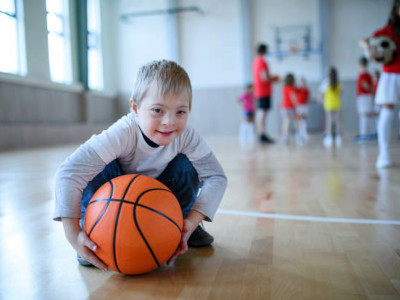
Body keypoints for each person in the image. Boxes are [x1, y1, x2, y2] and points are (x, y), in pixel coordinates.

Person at [53, 60, 228, 270]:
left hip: (163, 196)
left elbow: (216, 177)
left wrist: (190, 221)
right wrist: (73, 234)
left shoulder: (187, 136)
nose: (169, 122)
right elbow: (69, 173)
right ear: (135, 108)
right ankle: (92, 232)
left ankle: (178, 226)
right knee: (96, 166)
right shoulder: (123, 132)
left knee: (186, 165)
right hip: (115, 194)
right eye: (157, 110)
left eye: (180, 112)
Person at [360, 0, 400, 168]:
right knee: (387, 111)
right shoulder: (387, 30)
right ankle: (383, 154)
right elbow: (364, 41)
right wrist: (370, 51)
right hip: (391, 74)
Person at [252, 43, 279, 144]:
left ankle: (262, 133)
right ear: (264, 50)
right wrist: (275, 78)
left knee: (262, 112)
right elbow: (264, 77)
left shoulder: (255, 61)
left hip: (259, 90)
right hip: (263, 91)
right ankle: (262, 134)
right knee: (262, 112)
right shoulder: (262, 61)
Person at [354, 57, 374, 144]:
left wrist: (370, 91)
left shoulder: (364, 74)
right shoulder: (364, 74)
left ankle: (365, 135)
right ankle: (365, 134)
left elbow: (366, 85)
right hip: (364, 97)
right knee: (364, 115)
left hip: (365, 97)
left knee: (365, 115)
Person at [320, 67, 342, 148]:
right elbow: (341, 92)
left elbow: (322, 94)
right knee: (336, 121)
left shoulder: (325, 82)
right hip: (336, 104)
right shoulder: (337, 82)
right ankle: (337, 137)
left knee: (329, 121)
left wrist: (322, 99)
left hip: (328, 104)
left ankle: (329, 137)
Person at [280, 73, 300, 144]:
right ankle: (298, 135)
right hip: (291, 107)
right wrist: (296, 105)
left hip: (284, 107)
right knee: (296, 121)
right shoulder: (292, 88)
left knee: (286, 122)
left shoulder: (284, 88)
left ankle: (285, 136)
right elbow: (293, 97)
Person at [296, 77, 310, 142]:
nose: (302, 83)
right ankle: (299, 133)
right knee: (299, 120)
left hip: (304, 105)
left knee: (304, 120)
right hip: (299, 106)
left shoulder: (306, 90)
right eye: (301, 82)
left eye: (303, 82)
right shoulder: (297, 90)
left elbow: (308, 98)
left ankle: (304, 133)